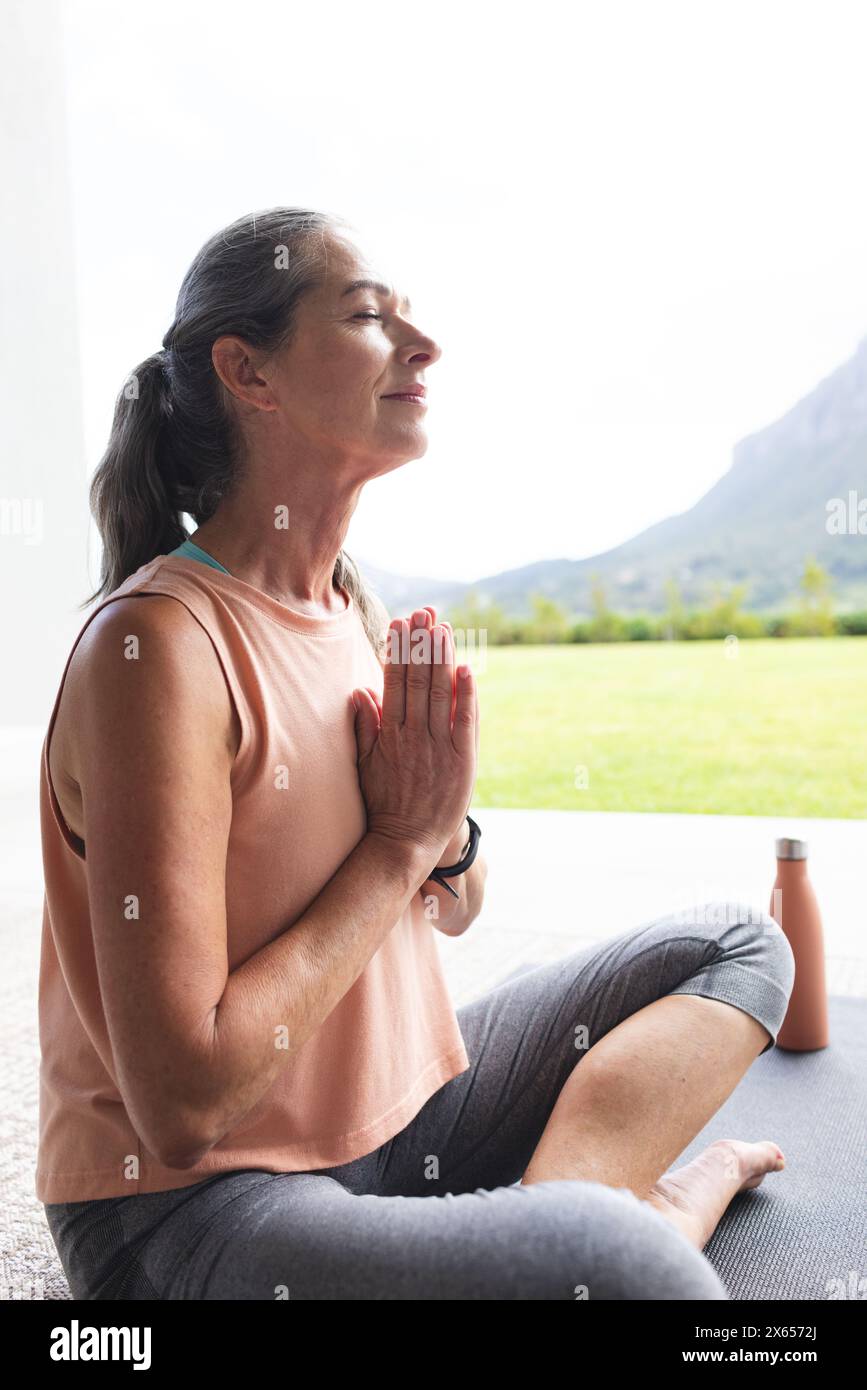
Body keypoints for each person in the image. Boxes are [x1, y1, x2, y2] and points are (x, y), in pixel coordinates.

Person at [37, 207, 795, 1300]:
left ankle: (561, 1225)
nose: (423, 346)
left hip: (398, 1122)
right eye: (368, 318)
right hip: (194, 1206)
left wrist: (444, 830)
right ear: (249, 373)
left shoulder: (350, 605)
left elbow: (458, 899)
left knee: (739, 942)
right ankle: (608, 1230)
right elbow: (183, 1102)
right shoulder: (155, 647)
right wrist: (397, 846)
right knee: (626, 1273)